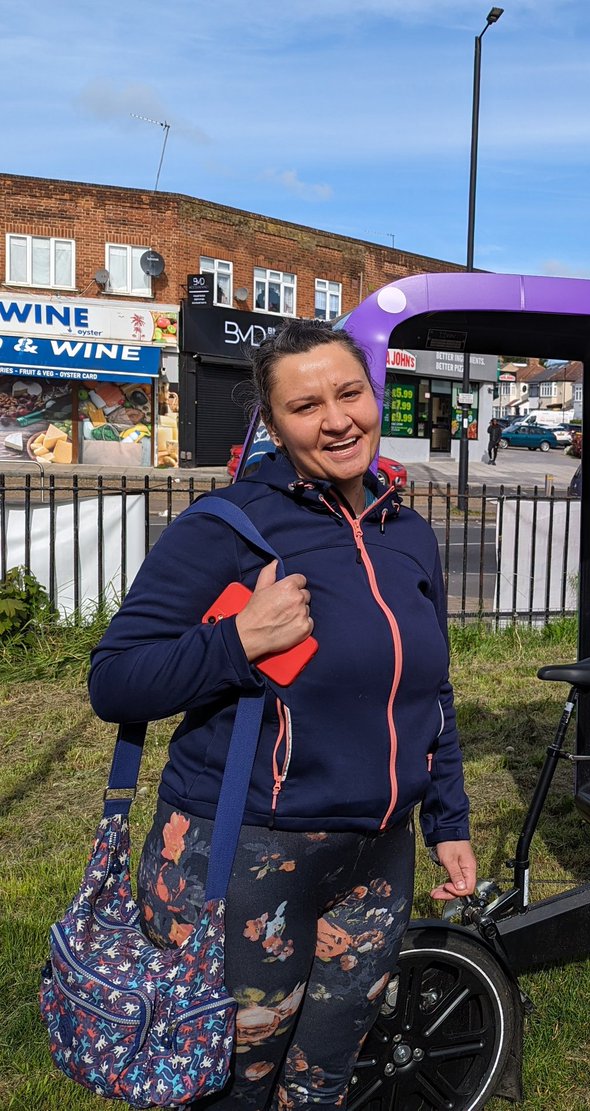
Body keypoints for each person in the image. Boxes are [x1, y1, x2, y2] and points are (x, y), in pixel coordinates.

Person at [88, 319, 476, 1109]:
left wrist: (449, 817)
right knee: (227, 1088)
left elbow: (429, 691)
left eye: (349, 393)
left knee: (324, 1080)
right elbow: (115, 679)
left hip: (375, 858)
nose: (336, 419)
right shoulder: (228, 526)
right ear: (273, 423)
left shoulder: (409, 536)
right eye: (306, 406)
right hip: (244, 857)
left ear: (375, 396)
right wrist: (237, 641)